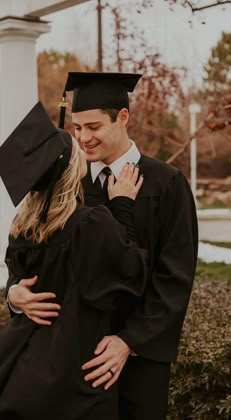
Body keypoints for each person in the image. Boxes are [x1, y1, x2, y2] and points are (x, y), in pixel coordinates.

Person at [7, 72, 198, 420]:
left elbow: (175, 276)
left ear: (122, 117)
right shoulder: (67, 187)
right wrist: (14, 295)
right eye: (77, 128)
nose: (83, 138)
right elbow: (31, 262)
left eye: (93, 126)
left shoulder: (166, 183)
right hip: (73, 360)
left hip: (140, 359)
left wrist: (129, 341)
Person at [0, 101, 147, 420]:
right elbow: (131, 273)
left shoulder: (22, 228)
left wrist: (13, 293)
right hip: (74, 378)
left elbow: (16, 278)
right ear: (69, 170)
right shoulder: (91, 223)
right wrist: (122, 206)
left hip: (21, 370)